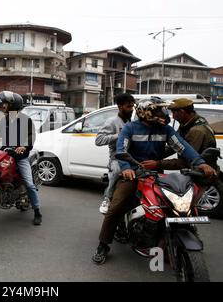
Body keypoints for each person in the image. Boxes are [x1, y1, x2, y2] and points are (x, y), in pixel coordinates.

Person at [91, 97, 216, 265]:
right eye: (158, 110)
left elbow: (184, 148)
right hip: (133, 173)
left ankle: (171, 241)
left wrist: (201, 164)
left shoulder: (165, 130)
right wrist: (126, 167)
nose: (164, 114)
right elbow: (121, 149)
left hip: (156, 174)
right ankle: (103, 244)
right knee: (116, 206)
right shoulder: (130, 128)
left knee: (175, 203)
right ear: (145, 112)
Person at [0, 91, 42, 225]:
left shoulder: (25, 120)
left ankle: (37, 211)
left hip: (20, 156)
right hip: (5, 154)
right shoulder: (4, 120)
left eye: (5, 103)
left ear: (12, 105)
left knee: (29, 184)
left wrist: (24, 146)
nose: (2, 105)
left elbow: (31, 136)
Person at [142, 98, 219, 174]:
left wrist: (158, 164)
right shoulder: (187, 124)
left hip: (201, 177)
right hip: (193, 173)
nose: (173, 116)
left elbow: (186, 161)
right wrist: (151, 154)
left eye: (173, 113)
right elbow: (175, 145)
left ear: (182, 112)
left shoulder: (197, 131)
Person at [95, 93, 135, 214]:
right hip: (116, 159)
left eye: (132, 106)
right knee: (117, 169)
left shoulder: (132, 122)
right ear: (120, 106)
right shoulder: (112, 122)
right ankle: (107, 198)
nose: (131, 109)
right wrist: (119, 136)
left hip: (131, 159)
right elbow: (99, 140)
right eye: (128, 106)